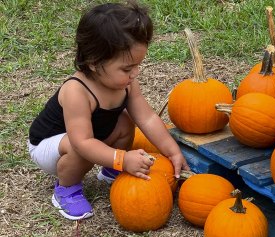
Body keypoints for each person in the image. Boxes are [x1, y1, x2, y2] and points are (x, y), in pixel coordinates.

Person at [27, 1, 189, 221]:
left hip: (88, 137)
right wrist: (122, 158)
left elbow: (147, 117)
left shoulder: (126, 84)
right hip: (49, 146)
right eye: (127, 68)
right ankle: (66, 189)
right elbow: (83, 142)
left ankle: (109, 170)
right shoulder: (77, 91)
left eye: (138, 66)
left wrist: (172, 151)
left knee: (125, 122)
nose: (135, 73)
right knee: (79, 147)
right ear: (94, 62)